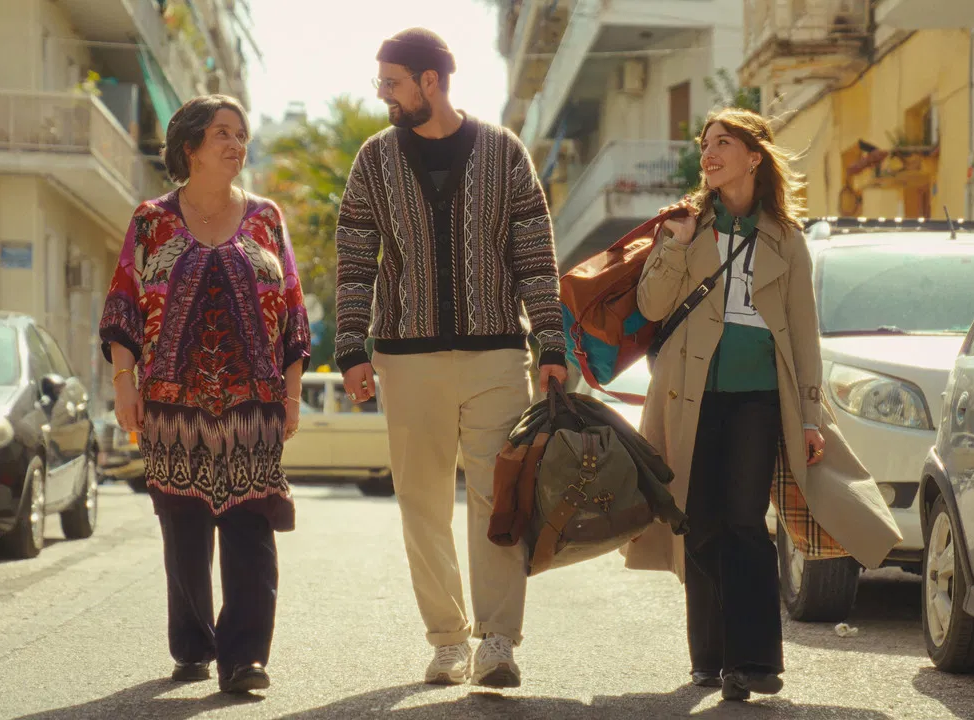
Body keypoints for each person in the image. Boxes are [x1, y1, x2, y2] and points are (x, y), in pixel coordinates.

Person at [624, 108, 900, 701]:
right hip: (690, 394)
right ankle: (709, 659)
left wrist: (809, 415)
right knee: (699, 522)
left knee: (745, 521)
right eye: (705, 144)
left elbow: (803, 333)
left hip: (759, 396)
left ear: (754, 157)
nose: (709, 153)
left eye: (723, 142)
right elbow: (651, 306)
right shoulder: (685, 225)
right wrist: (676, 246)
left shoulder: (787, 238)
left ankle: (754, 661)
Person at [334, 28, 569, 688]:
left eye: (391, 83)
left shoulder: (503, 151)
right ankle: (446, 639)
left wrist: (550, 341)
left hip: (496, 352)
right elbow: (355, 259)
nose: (382, 94)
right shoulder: (374, 160)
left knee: (500, 499)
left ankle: (497, 640)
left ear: (429, 82)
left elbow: (534, 256)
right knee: (422, 503)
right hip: (406, 358)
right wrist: (350, 346)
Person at [99, 94, 311, 694]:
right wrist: (124, 385)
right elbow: (123, 307)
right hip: (171, 404)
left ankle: (245, 659)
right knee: (184, 529)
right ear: (190, 146)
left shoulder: (266, 217)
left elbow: (292, 309)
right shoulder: (151, 221)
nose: (236, 144)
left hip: (253, 401)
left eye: (241, 134)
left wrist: (292, 393)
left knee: (250, 528)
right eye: (222, 133)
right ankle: (192, 644)